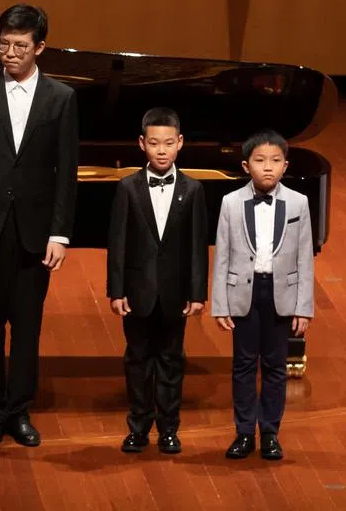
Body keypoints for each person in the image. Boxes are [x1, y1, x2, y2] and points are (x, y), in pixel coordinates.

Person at [0, 3, 79, 447]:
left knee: (27, 326)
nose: (10, 53)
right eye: (3, 44)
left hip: (35, 231)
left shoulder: (62, 99)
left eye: (20, 46)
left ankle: (19, 410)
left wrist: (60, 233)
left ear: (40, 47)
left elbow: (67, 172)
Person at [106, 108, 208, 454]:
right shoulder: (127, 188)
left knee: (171, 360)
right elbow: (117, 243)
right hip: (137, 292)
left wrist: (197, 292)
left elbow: (197, 246)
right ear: (141, 144)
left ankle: (168, 429)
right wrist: (115, 290)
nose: (161, 150)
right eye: (154, 143)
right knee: (137, 360)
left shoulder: (193, 190)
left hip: (175, 293)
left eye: (168, 143)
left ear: (180, 143)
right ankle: (137, 427)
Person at [211, 129, 315, 461]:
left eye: (274, 161)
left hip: (280, 294)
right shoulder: (231, 203)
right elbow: (223, 255)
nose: (267, 168)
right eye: (259, 161)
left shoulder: (299, 203)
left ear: (285, 165)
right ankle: (244, 433)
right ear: (246, 166)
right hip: (244, 292)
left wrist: (304, 306)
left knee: (274, 365)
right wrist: (219, 304)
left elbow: (304, 258)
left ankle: (270, 432)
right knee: (243, 365)